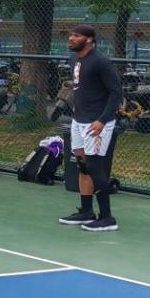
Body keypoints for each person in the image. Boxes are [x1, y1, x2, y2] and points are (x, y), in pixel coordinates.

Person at [59, 24, 123, 232]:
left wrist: (102, 120)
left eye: (76, 35)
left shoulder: (100, 62)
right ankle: (86, 212)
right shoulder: (74, 59)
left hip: (97, 123)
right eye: (70, 35)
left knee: (95, 166)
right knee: (83, 165)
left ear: (89, 40)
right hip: (79, 120)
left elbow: (116, 93)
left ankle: (107, 218)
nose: (71, 38)